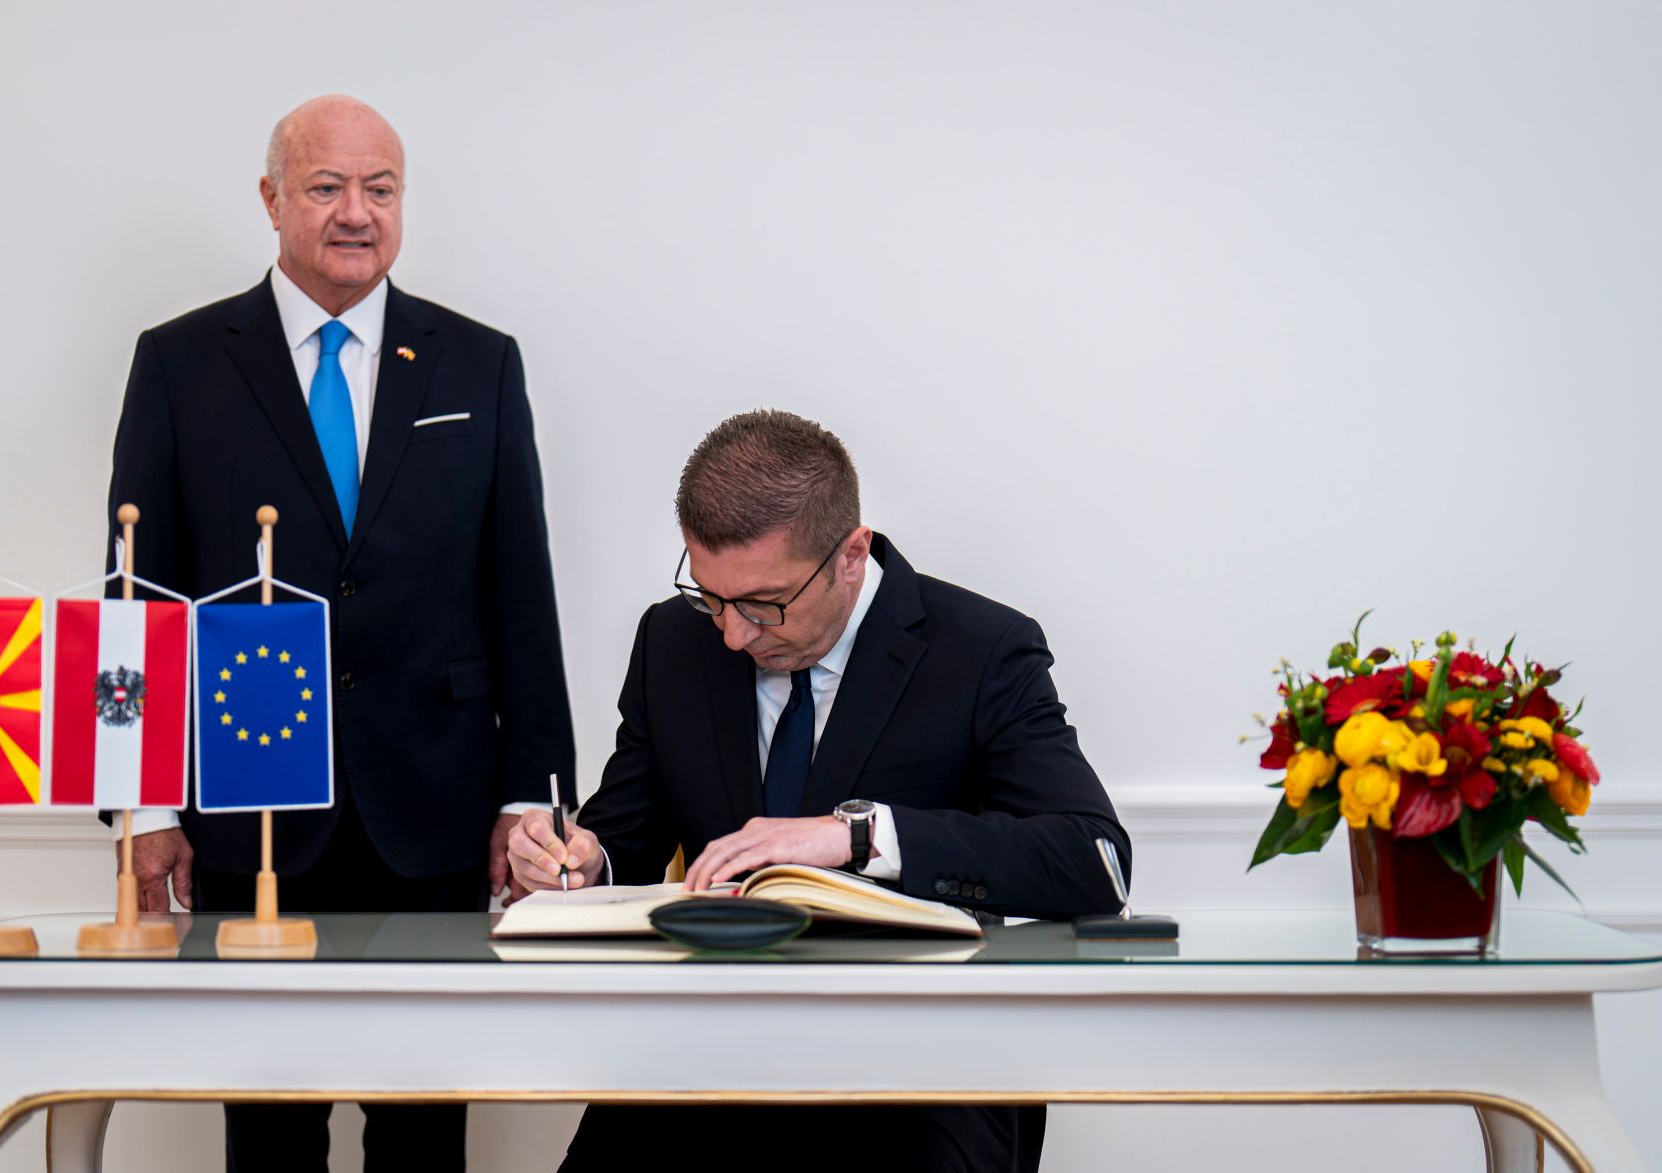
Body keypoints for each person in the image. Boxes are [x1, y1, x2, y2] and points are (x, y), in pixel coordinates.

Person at [104, 94, 574, 1172]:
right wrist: (142, 799)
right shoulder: (178, 364)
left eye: (380, 189)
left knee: (423, 1132)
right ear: (271, 201)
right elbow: (138, 590)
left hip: (437, 811)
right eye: (326, 188)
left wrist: (527, 794)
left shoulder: (477, 363)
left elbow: (522, 592)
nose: (355, 214)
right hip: (250, 808)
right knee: (268, 1134)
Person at [509, 409, 1129, 1173]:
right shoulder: (674, 641)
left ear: (850, 553)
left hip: (919, 1069)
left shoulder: (982, 649)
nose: (734, 634)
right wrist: (576, 857)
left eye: (765, 603)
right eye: (710, 595)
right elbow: (624, 833)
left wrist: (857, 836)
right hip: (700, 1055)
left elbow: (1093, 859)